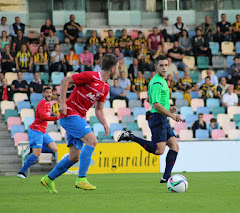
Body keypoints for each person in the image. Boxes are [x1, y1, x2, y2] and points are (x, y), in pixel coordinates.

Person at [41, 54, 119, 193]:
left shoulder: (105, 87)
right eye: (118, 67)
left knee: (74, 157)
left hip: (79, 118)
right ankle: (81, 179)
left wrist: (105, 124)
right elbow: (65, 81)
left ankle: (48, 179)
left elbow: (99, 110)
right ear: (113, 69)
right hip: (69, 113)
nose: (118, 70)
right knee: (92, 140)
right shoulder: (91, 76)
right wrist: (63, 103)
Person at [118, 55, 183, 183]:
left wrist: (168, 109)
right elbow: (155, 104)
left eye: (166, 65)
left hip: (161, 116)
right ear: (155, 67)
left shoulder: (158, 80)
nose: (164, 68)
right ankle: (131, 137)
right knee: (159, 150)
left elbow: (149, 99)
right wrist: (172, 115)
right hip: (158, 118)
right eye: (161, 65)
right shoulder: (158, 82)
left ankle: (166, 177)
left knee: (174, 146)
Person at [17, 87, 59, 179]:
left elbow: (49, 115)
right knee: (37, 154)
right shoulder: (42, 103)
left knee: (55, 149)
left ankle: (33, 148)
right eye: (47, 92)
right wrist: (57, 118)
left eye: (50, 92)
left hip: (42, 132)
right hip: (36, 131)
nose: (49, 94)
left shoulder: (48, 104)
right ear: (43, 93)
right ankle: (21, 172)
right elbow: (43, 117)